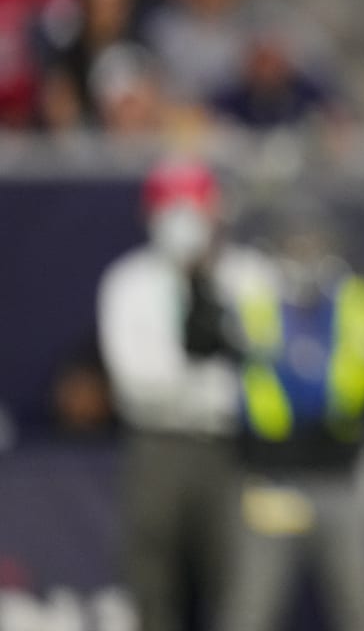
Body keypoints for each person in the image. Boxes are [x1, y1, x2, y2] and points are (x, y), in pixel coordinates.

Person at [210, 194, 364, 631]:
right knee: (251, 607)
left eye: (314, 242)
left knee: (363, 609)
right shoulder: (253, 306)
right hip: (273, 478)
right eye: (295, 243)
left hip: (341, 477)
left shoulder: (359, 303)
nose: (305, 253)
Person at [96, 158, 264, 631]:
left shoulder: (247, 275)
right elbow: (138, 382)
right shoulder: (128, 281)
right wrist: (205, 369)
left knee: (237, 587)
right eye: (173, 207)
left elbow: (262, 370)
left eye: (194, 206)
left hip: (228, 448)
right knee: (153, 586)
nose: (185, 218)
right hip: (157, 446)